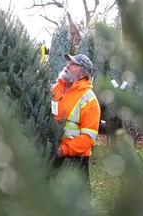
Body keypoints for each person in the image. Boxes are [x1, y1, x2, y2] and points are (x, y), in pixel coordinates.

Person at [51, 53, 101, 187]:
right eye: (69, 62)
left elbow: (89, 138)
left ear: (82, 74)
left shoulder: (89, 100)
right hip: (51, 153)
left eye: (74, 64)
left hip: (75, 160)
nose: (68, 65)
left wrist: (63, 150)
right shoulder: (54, 89)